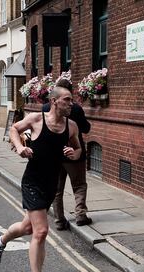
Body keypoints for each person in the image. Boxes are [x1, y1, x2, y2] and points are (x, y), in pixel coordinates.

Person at [0, 86, 81, 272]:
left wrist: (73, 153)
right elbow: (13, 128)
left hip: (51, 184)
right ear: (54, 101)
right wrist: (20, 146)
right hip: (32, 182)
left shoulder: (71, 126)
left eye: (72, 100)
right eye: (67, 100)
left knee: (28, 227)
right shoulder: (36, 119)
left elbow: (78, 150)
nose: (71, 104)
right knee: (40, 231)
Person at [42, 79, 92, 230]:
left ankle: (59, 220)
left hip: (54, 155)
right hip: (73, 154)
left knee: (57, 189)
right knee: (79, 185)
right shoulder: (75, 108)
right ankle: (80, 215)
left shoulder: (45, 107)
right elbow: (85, 128)